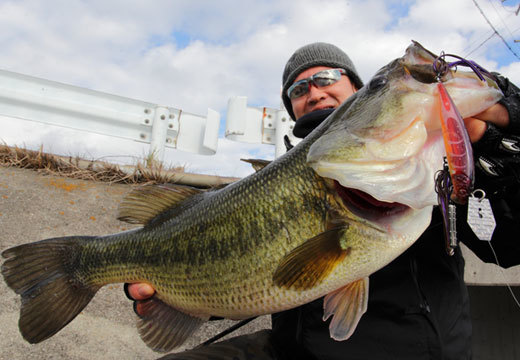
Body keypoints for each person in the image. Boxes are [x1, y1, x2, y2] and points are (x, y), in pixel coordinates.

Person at [126, 42, 520, 359]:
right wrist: (183, 297)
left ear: (355, 91)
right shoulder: (269, 179)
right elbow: (253, 275)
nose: (313, 92)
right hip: (291, 350)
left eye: (327, 78)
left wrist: (502, 158)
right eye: (299, 90)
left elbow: (508, 245)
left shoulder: (436, 165)